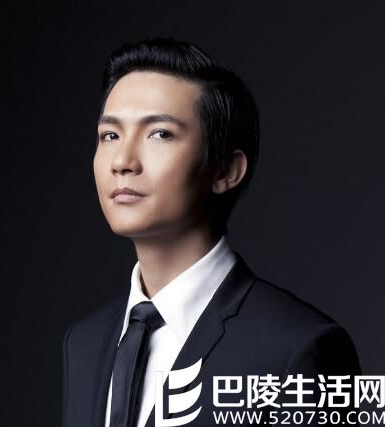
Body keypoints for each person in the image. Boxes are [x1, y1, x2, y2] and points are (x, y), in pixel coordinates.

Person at [62, 38, 361, 427]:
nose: (122, 161)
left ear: (225, 170)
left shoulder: (300, 347)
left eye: (160, 134)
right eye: (110, 135)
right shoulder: (84, 343)